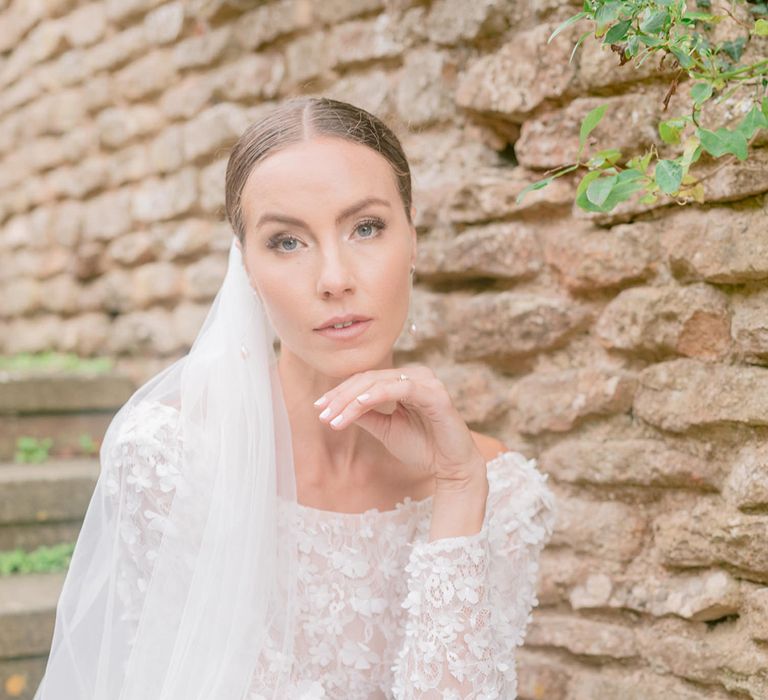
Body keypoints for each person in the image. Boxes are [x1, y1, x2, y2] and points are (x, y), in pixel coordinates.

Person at [34, 96, 556, 700]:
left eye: (366, 227)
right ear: (247, 269)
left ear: (412, 238)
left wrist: (460, 491)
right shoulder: (173, 463)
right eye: (287, 242)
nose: (334, 278)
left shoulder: (502, 492)